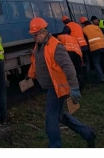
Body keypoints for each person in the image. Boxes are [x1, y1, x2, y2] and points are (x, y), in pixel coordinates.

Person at [27, 17, 96, 148]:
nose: (33, 38)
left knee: (51, 118)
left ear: (42, 32)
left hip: (57, 87)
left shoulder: (55, 46)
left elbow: (68, 67)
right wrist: (29, 76)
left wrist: (74, 87)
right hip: (50, 87)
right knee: (60, 116)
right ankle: (88, 133)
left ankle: (55, 146)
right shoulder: (39, 46)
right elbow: (36, 63)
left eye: (35, 35)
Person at [81, 17, 104, 83]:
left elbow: (85, 40)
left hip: (94, 48)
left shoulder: (84, 30)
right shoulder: (96, 27)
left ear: (83, 24)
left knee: (96, 63)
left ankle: (102, 78)